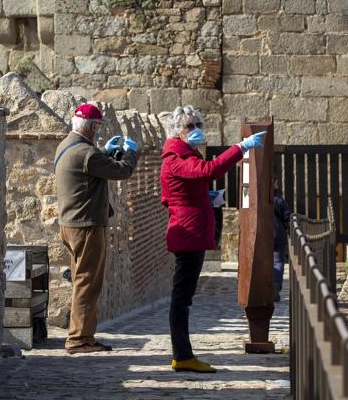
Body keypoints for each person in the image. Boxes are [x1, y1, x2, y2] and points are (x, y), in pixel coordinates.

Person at [160, 106, 265, 373]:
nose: (196, 130)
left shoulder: (184, 152)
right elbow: (209, 170)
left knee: (183, 297)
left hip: (190, 228)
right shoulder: (175, 156)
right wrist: (240, 147)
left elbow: (172, 194)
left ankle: (182, 354)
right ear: (177, 131)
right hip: (188, 233)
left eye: (197, 125)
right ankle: (182, 356)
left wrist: (202, 198)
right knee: (181, 298)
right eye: (190, 126)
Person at [54, 102, 139, 354]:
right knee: (88, 282)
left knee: (83, 281)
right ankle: (79, 339)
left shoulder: (68, 146)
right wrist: (130, 152)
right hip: (87, 226)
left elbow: (90, 167)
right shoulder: (86, 153)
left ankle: (84, 336)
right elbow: (122, 171)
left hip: (71, 224)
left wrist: (104, 150)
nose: (98, 131)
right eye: (97, 127)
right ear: (90, 126)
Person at [272, 175, 293, 302]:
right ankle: (275, 284)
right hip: (277, 234)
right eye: (276, 180)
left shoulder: (256, 197)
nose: (278, 183)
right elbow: (288, 217)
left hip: (260, 236)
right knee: (278, 261)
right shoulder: (278, 200)